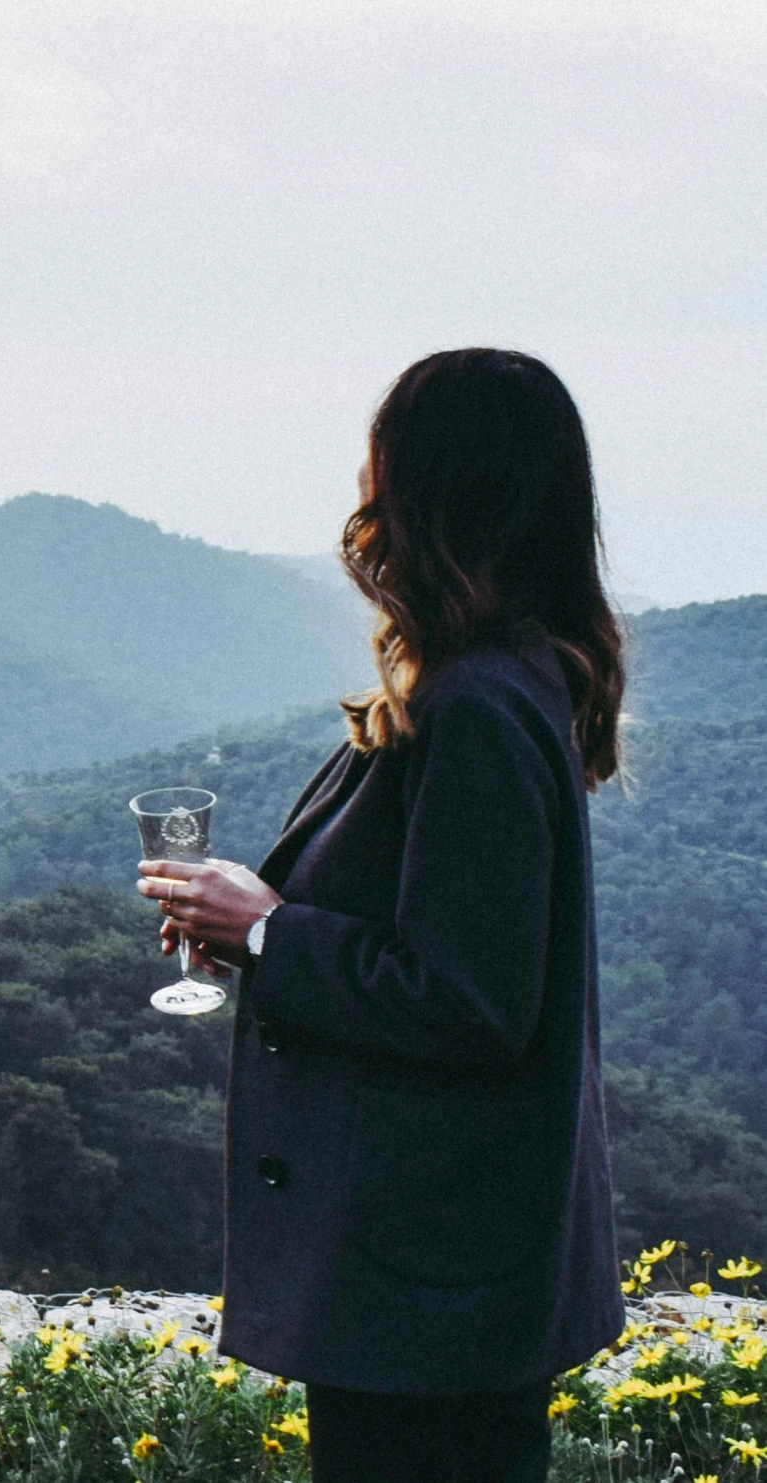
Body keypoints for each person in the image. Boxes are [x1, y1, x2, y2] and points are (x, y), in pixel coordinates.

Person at [137, 348, 626, 1483]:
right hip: (450, 1270)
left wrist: (265, 928)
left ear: (429, 492)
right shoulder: (499, 680)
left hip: (427, 1282)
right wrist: (254, 925)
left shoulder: (474, 710)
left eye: (382, 469)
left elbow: (468, 1000)